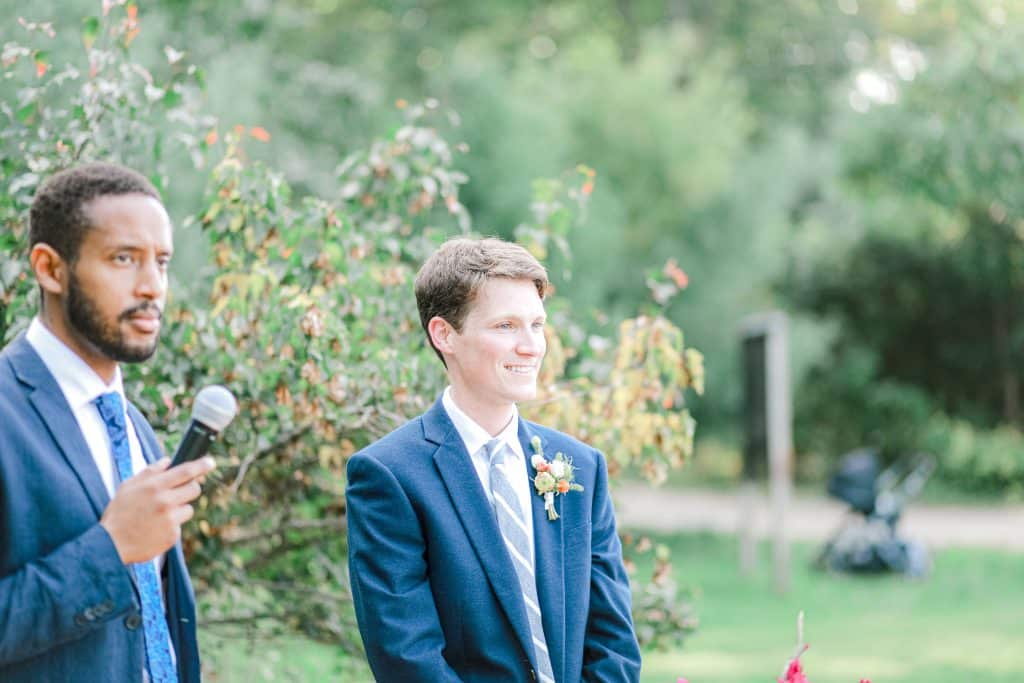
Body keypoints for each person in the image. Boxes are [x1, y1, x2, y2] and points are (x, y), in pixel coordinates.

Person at [346, 237, 641, 682]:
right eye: (506, 326)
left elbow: (613, 642)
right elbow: (407, 658)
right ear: (444, 334)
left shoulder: (580, 467)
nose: (531, 346)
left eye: (537, 325)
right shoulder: (389, 476)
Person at [0, 163, 215, 682]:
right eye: (124, 259)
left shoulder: (136, 428)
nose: (152, 287)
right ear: (51, 269)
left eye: (161, 262)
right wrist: (110, 548)